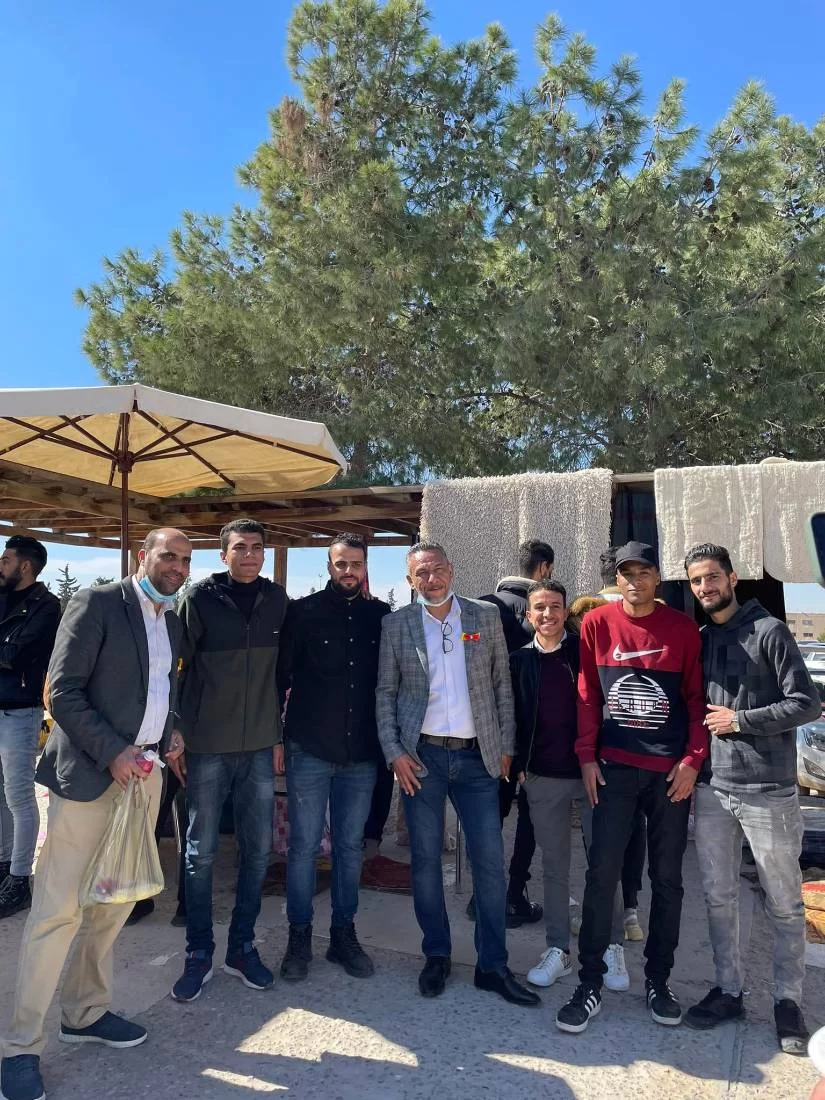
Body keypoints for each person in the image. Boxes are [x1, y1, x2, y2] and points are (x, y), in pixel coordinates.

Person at [0, 529, 191, 1100]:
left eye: (185, 560)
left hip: (145, 778)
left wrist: (171, 731)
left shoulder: (171, 620)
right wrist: (113, 751)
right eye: (168, 556)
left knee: (114, 903)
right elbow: (61, 692)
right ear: (142, 556)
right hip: (89, 777)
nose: (177, 567)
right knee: (57, 912)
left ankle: (83, 1013)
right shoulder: (98, 603)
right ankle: (20, 1047)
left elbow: (161, 691)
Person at [376, 541, 539, 1006]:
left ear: (451, 569)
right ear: (410, 580)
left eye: (437, 569)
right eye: (421, 574)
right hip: (421, 760)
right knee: (426, 862)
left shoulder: (483, 616)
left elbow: (502, 686)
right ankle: (437, 954)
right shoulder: (396, 625)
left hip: (477, 760)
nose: (431, 579)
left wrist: (506, 747)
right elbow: (385, 693)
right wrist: (394, 752)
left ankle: (493, 965)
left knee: (489, 862)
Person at [555, 541, 707, 1034]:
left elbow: (697, 700)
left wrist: (692, 760)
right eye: (627, 573)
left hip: (669, 775)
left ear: (658, 578)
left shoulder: (682, 629)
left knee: (668, 880)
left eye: (644, 572)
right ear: (615, 579)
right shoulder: (597, 624)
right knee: (601, 875)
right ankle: (590, 984)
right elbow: (587, 693)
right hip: (614, 770)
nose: (635, 581)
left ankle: (658, 982)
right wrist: (585, 755)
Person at [683, 543, 821, 1054]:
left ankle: (788, 1000)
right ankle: (729, 991)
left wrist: (740, 720)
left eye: (712, 577)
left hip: (768, 792)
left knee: (784, 902)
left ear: (732, 578)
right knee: (719, 898)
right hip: (714, 790)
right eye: (697, 581)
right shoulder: (701, 639)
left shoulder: (770, 631)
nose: (705, 587)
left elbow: (807, 702)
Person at [171, 518, 287, 1003]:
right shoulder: (198, 599)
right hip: (206, 744)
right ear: (224, 555)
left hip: (259, 744)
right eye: (240, 548)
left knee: (257, 850)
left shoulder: (277, 600)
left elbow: (283, 675)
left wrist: (278, 736)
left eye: (257, 547)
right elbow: (173, 667)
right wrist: (175, 730)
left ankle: (242, 947)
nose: (250, 555)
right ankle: (198, 952)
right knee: (200, 853)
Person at [276, 534, 390, 982]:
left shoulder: (381, 617)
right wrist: (277, 739)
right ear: (329, 566)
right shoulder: (301, 613)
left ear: (365, 568)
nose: (348, 571)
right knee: (303, 847)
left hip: (361, 754)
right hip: (309, 747)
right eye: (341, 563)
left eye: (355, 564)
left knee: (349, 847)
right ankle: (298, 937)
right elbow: (280, 677)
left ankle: (343, 935)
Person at [510, 580, 627, 992]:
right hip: (542, 777)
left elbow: (609, 705)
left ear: (567, 612)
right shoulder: (519, 661)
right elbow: (511, 715)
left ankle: (611, 945)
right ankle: (558, 949)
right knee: (554, 867)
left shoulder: (586, 652)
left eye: (555, 606)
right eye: (540, 608)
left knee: (603, 863)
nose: (548, 614)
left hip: (593, 773)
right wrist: (518, 766)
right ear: (529, 615)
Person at [473, 539, 555, 929]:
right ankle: (513, 895)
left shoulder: (480, 607)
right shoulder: (550, 612)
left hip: (486, 733)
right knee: (530, 817)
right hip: (538, 734)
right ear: (545, 569)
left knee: (489, 815)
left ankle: (481, 896)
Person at [0, 536, 60, 919]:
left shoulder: (46, 606)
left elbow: (15, 654)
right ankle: (4, 865)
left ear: (25, 567)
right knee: (0, 796)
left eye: (5, 560)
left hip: (20, 711)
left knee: (20, 797)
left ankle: (20, 879)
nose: (0, 565)